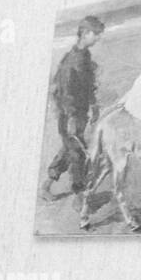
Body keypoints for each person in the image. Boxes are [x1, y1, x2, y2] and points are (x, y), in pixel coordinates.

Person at [41, 15, 105, 202]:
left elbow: (87, 85)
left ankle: (46, 186)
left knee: (69, 150)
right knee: (77, 153)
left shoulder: (85, 56)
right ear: (85, 34)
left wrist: (93, 105)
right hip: (69, 115)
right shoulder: (72, 60)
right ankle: (80, 194)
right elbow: (65, 90)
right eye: (96, 34)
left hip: (80, 112)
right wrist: (70, 117)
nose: (98, 38)